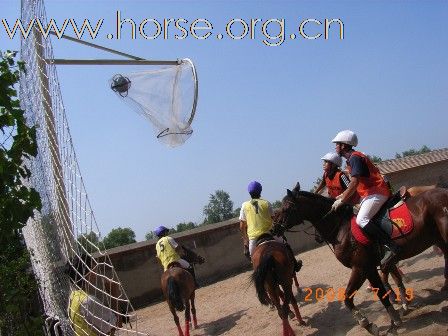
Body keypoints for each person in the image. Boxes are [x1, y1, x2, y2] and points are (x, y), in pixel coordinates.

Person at [330, 130, 400, 269]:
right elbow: (354, 184)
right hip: (369, 194)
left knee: (361, 220)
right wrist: (342, 196)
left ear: (344, 145)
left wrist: (343, 200)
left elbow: (355, 182)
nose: (335, 147)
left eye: (337, 144)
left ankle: (391, 246)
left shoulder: (355, 158)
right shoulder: (351, 160)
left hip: (376, 192)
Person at [239, 181, 302, 272]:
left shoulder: (244, 205)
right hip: (270, 234)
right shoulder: (266, 203)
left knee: (253, 258)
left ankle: (258, 274)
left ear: (249, 192)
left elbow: (241, 226)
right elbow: (274, 219)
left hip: (253, 238)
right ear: (260, 191)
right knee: (286, 245)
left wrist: (246, 240)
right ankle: (295, 265)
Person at [66, 254, 120, 336]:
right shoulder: (88, 301)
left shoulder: (73, 296)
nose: (96, 270)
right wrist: (113, 294)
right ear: (88, 272)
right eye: (93, 266)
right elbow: (114, 327)